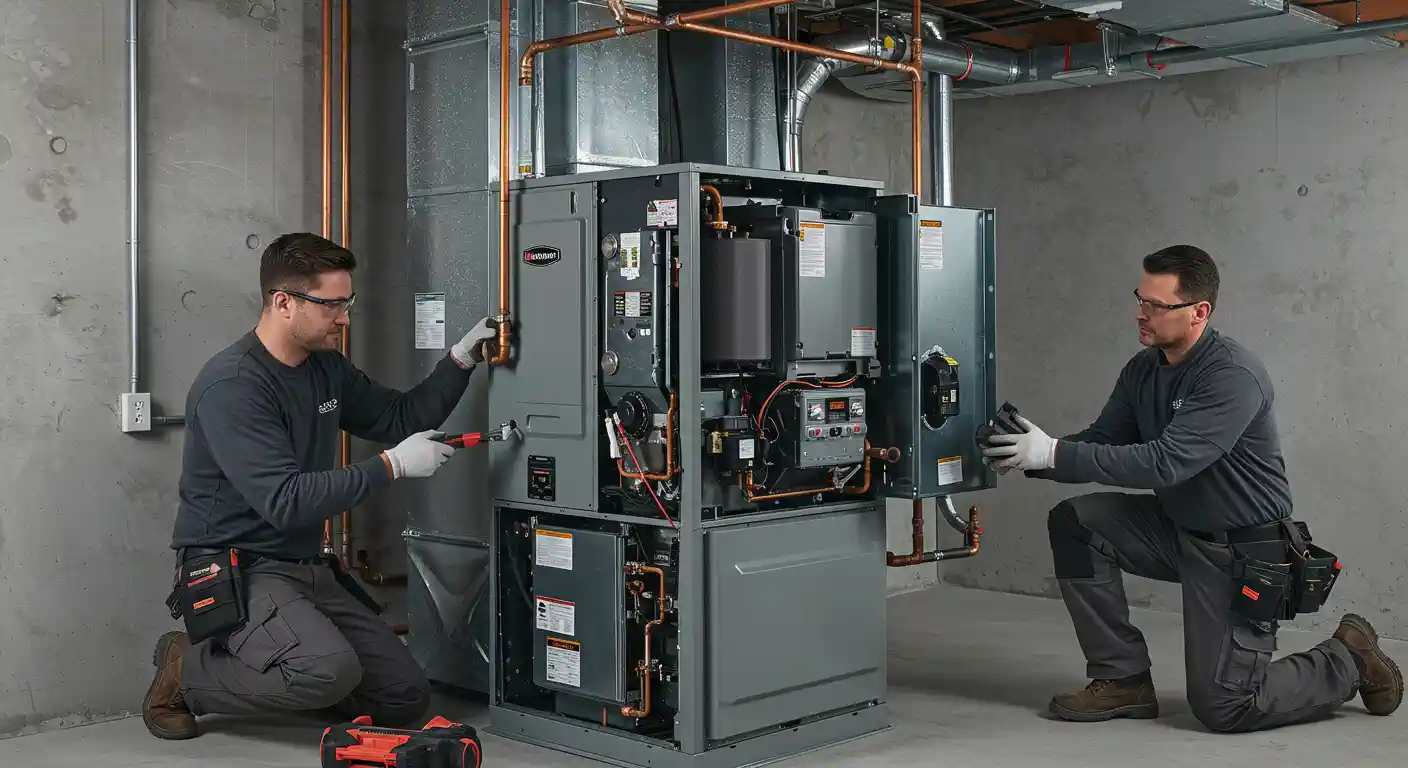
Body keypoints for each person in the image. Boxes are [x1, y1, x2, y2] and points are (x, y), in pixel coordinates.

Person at [982, 245, 1402, 732]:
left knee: (1227, 706)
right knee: (1076, 523)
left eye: (1156, 306)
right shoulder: (1143, 369)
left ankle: (1347, 657)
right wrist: (1023, 452)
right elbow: (1103, 442)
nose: (1141, 314)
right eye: (1140, 299)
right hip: (1178, 529)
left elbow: (1166, 463)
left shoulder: (1231, 376)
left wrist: (1052, 452)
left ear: (1199, 311)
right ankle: (1123, 680)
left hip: (1242, 549)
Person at [142, 232, 499, 740]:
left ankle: (306, 674)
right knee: (326, 671)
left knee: (403, 698)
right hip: (238, 565)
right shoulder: (234, 387)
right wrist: (391, 467)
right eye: (332, 305)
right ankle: (187, 671)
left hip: (304, 564)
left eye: (346, 302)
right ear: (283, 302)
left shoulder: (324, 368)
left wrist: (461, 359)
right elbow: (284, 502)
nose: (345, 317)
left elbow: (400, 417)